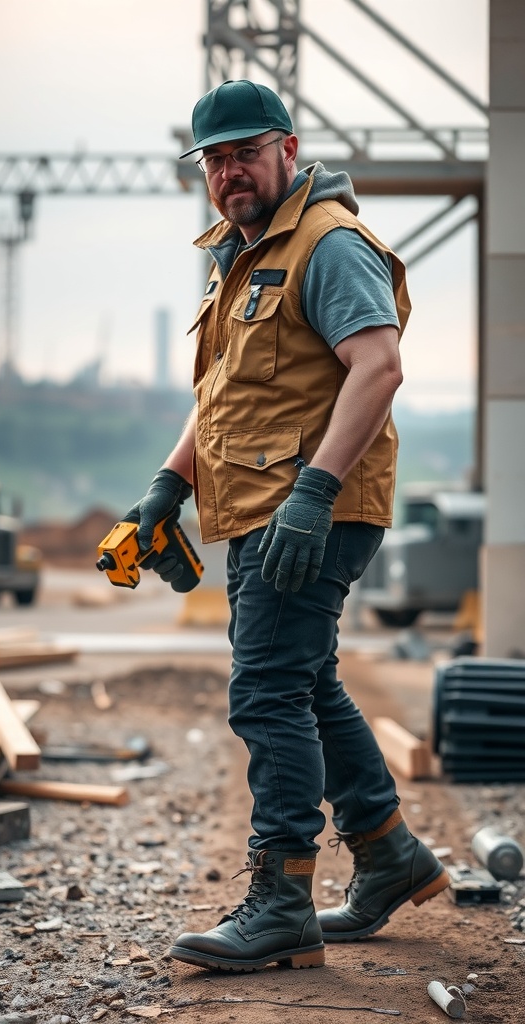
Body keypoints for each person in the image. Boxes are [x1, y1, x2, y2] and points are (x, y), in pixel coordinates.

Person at [122, 79, 449, 973]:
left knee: (266, 692)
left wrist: (311, 492)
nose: (230, 172)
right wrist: (166, 484)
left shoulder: (328, 245)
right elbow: (224, 394)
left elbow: (377, 368)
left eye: (246, 154)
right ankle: (386, 856)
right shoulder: (240, 253)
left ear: (288, 150)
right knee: (304, 685)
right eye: (216, 160)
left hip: (309, 510)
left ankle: (281, 902)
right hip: (273, 507)